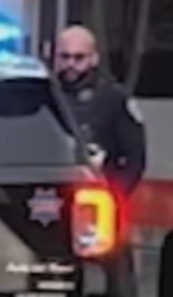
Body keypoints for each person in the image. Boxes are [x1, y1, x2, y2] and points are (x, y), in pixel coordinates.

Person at [53, 25, 147, 195]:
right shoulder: (44, 95)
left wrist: (114, 197)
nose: (70, 64)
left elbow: (135, 159)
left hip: (96, 193)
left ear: (94, 58)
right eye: (64, 57)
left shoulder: (113, 98)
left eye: (78, 57)